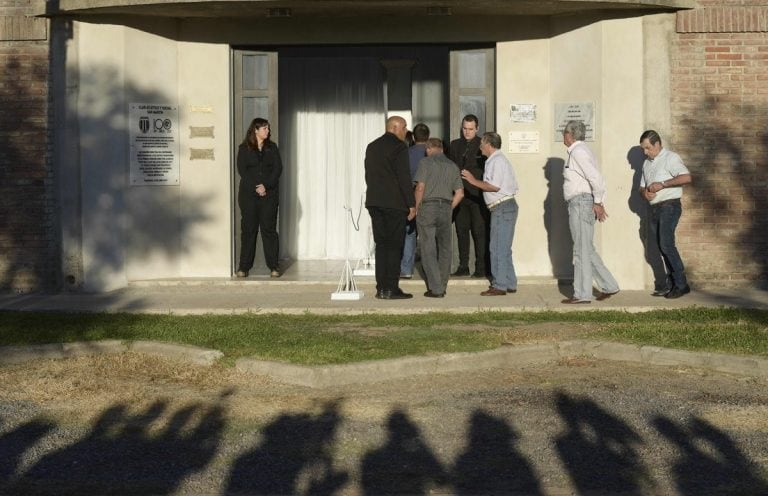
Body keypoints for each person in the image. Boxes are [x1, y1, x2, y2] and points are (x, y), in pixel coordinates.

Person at [560, 120, 620, 304]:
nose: (563, 136)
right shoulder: (580, 151)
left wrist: (598, 202)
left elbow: (596, 179)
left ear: (570, 135)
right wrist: (597, 201)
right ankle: (609, 285)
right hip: (582, 202)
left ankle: (582, 294)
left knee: (580, 250)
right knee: (587, 248)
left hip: (580, 203)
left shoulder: (578, 152)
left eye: (564, 133)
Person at [364, 115, 417, 300]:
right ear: (395, 127)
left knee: (382, 246)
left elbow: (368, 175)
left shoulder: (372, 146)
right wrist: (411, 203)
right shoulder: (399, 147)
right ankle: (391, 288)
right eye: (404, 128)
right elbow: (404, 177)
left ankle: (381, 288)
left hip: (375, 202)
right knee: (394, 246)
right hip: (394, 204)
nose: (406, 132)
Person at [461, 132, 519, 296]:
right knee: (504, 248)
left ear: (489, 145)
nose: (479, 147)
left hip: (502, 207)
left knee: (497, 247)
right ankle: (509, 282)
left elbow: (494, 186)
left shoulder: (496, 161)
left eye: (481, 144)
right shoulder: (496, 160)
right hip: (504, 207)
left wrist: (472, 181)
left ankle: (499, 285)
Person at [639, 129, 692, 299]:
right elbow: (641, 186)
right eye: (643, 149)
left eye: (648, 148)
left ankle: (681, 284)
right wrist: (644, 193)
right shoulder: (647, 163)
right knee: (662, 247)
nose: (646, 152)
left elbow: (686, 177)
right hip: (654, 208)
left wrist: (662, 184)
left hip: (669, 207)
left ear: (658, 144)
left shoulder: (671, 158)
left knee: (667, 245)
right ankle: (673, 283)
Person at [414, 138, 464, 297]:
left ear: (428, 149)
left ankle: (436, 289)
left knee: (428, 248)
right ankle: (442, 285)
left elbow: (420, 187)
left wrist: (416, 207)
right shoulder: (453, 165)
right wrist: (449, 208)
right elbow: (460, 193)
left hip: (428, 206)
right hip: (446, 207)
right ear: (442, 149)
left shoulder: (425, 162)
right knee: (445, 248)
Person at [236, 117, 283, 278]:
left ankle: (274, 266)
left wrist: (266, 186)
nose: (267, 131)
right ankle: (244, 267)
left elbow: (277, 169)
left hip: (269, 196)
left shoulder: (272, 148)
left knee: (269, 230)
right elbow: (243, 170)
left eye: (268, 128)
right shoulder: (244, 148)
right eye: (264, 128)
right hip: (249, 196)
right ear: (255, 130)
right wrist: (257, 187)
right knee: (248, 230)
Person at [448, 114, 489, 278]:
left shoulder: (482, 144)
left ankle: (481, 268)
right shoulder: (455, 145)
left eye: (471, 129)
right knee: (461, 231)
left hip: (477, 196)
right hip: (460, 196)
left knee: (479, 232)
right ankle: (463, 266)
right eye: (465, 128)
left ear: (477, 129)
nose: (467, 132)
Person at [400, 123, 430, 279]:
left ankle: (406, 269)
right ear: (428, 136)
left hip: (410, 196)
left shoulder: (406, 153)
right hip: (429, 197)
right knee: (427, 235)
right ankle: (428, 269)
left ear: (414, 136)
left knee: (409, 234)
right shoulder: (430, 153)